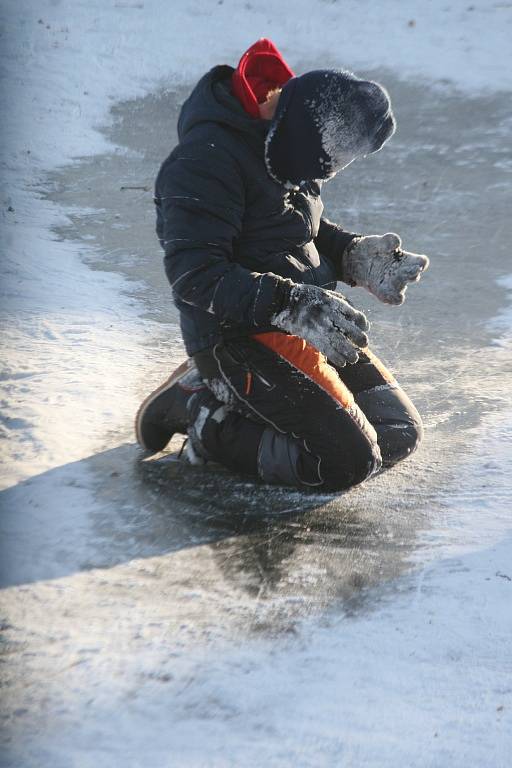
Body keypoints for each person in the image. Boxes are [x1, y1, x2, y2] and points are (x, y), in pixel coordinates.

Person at [135, 38, 429, 492]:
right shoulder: (201, 163)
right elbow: (195, 277)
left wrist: (354, 256)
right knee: (345, 462)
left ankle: (227, 399)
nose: (330, 173)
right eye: (330, 161)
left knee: (396, 435)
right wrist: (290, 303)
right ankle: (203, 414)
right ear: (301, 135)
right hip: (236, 336)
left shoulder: (283, 141)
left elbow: (300, 229)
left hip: (303, 324)